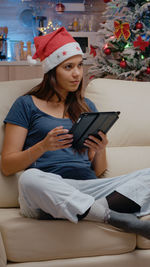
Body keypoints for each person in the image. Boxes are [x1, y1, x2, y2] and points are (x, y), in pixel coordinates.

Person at [1, 27, 150, 239]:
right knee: (30, 179)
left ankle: (84, 211)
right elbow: (7, 166)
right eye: (68, 67)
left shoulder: (86, 106)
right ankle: (115, 217)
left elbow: (98, 171)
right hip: (46, 190)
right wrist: (43, 146)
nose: (77, 73)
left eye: (80, 65)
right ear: (52, 70)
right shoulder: (26, 105)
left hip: (86, 188)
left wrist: (100, 149)